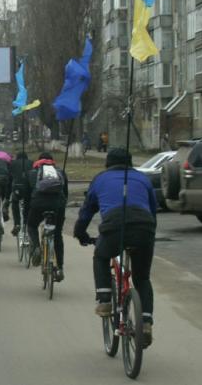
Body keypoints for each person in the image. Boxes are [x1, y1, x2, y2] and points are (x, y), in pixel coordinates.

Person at [74, 147, 157, 347]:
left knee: (101, 257)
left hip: (114, 226)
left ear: (107, 163)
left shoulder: (100, 179)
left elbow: (87, 210)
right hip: (144, 227)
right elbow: (153, 209)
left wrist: (80, 233)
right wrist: (149, 234)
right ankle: (145, 322)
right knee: (142, 277)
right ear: (131, 162)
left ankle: (104, 300)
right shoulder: (143, 179)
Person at [24, 152, 68, 282]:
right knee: (57, 234)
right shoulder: (60, 172)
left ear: (38, 162)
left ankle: (36, 247)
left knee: (31, 225)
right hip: (57, 206)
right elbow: (65, 194)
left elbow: (27, 197)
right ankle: (59, 268)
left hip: (38, 204)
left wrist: (27, 214)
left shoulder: (32, 173)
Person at [9, 151, 33, 237]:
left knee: (15, 202)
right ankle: (26, 223)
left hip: (17, 188)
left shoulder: (13, 163)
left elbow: (10, 176)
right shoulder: (32, 163)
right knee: (28, 205)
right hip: (29, 189)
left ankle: (17, 224)